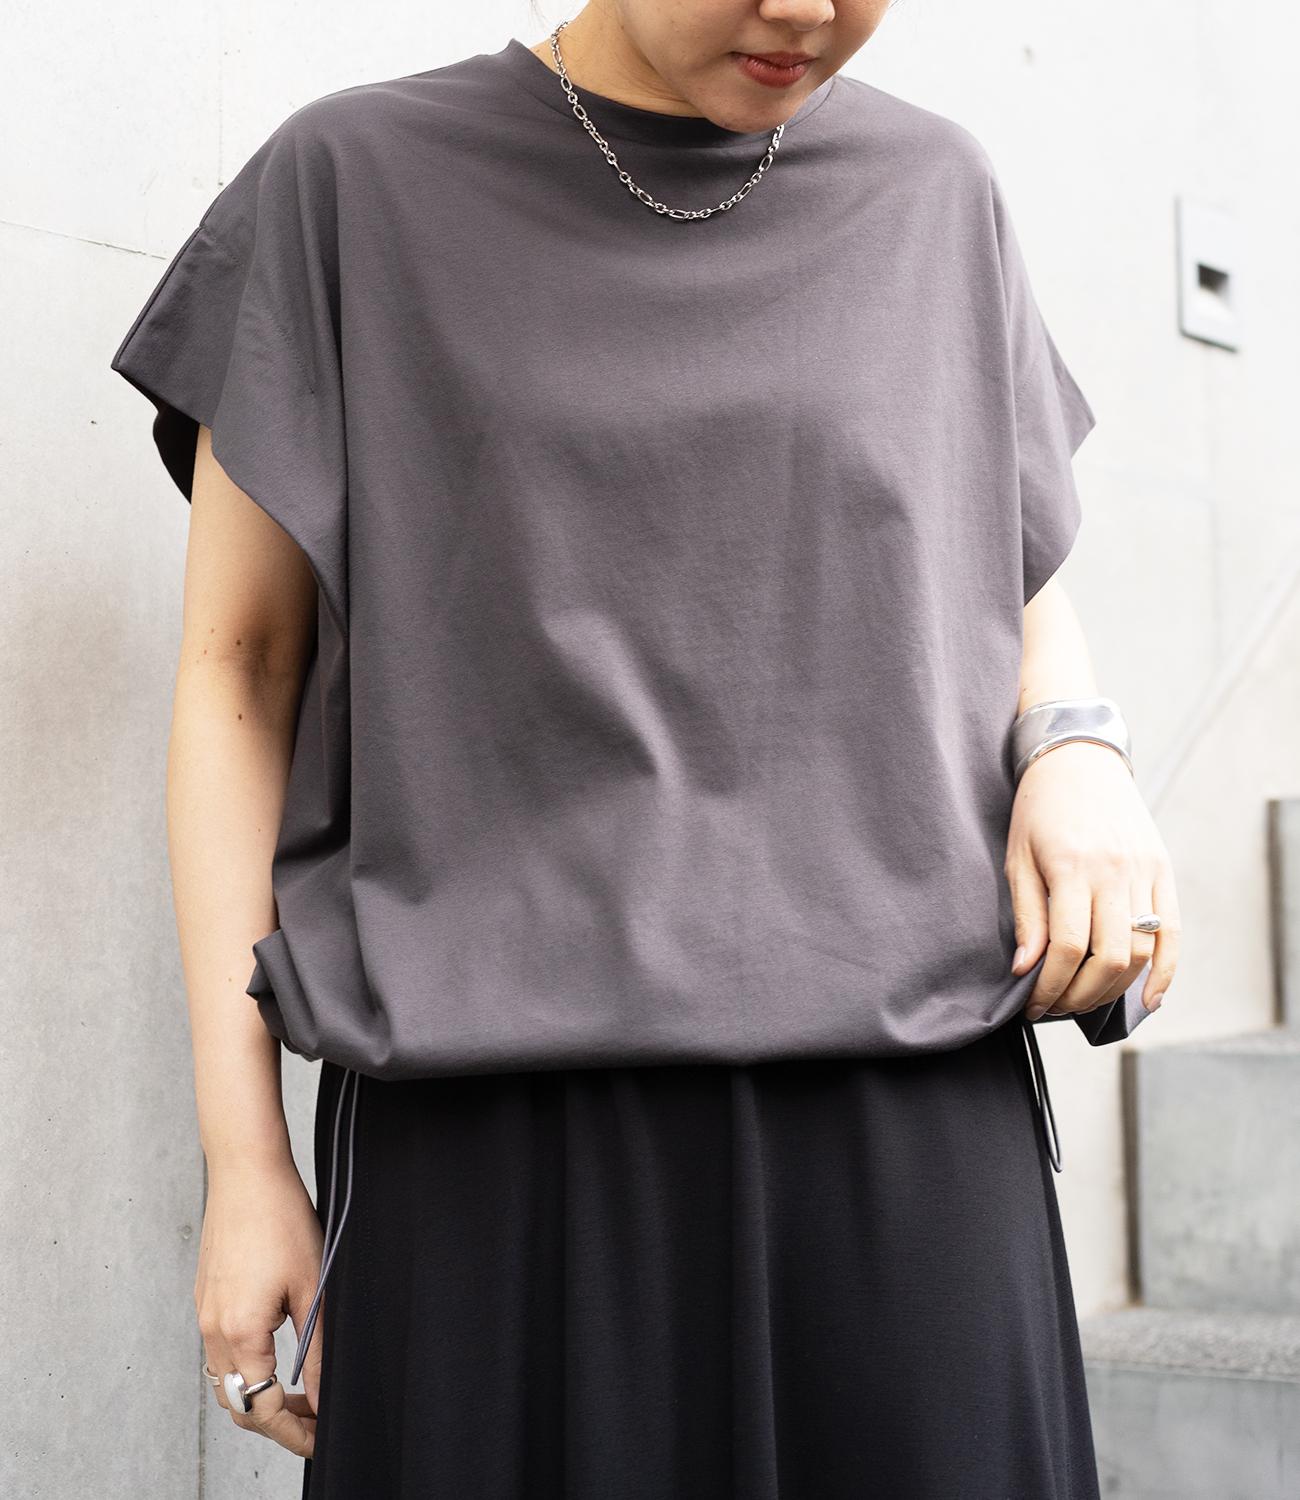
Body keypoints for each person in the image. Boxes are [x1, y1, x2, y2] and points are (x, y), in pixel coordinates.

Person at [109, 3, 1180, 1495]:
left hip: (911, 1132)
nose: (802, 10)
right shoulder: (351, 182)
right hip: (495, 1147)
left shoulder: (939, 192)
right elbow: (242, 674)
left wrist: (1077, 749)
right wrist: (246, 1166)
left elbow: (993, 568)